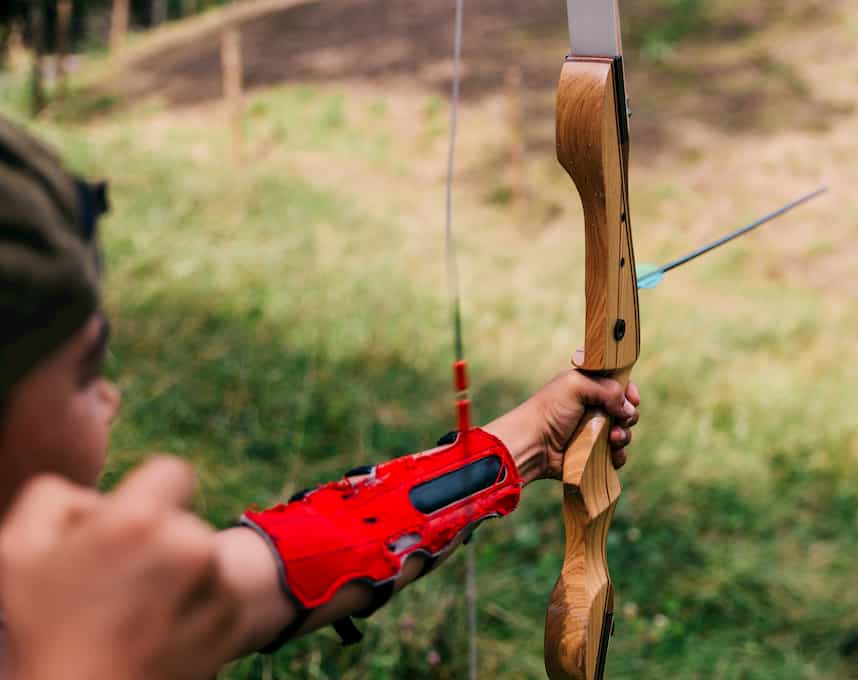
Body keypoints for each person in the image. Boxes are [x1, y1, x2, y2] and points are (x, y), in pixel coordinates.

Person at [0, 116, 641, 679]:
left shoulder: (75, 587)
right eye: (86, 373)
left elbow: (313, 554)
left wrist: (524, 442)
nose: (109, 398)